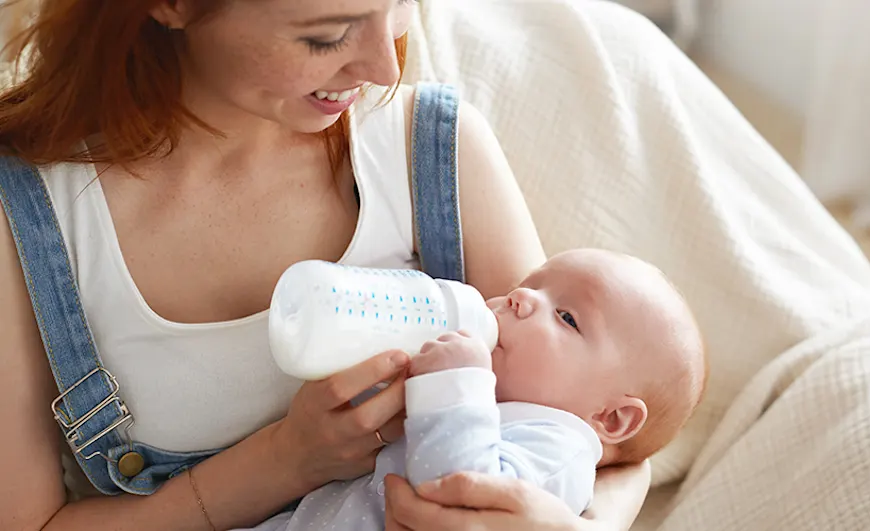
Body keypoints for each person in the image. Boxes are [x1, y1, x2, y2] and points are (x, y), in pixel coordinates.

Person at [0, 1, 650, 530]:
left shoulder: (432, 152)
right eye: (327, 36)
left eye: (397, 5)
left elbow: (602, 425)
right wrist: (285, 460)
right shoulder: (27, 218)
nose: (381, 66)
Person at [235, 248, 706, 531]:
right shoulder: (489, 403)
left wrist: (455, 385)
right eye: (531, 285)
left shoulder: (559, 447)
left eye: (566, 317)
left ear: (611, 418)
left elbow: (464, 495)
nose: (520, 298)